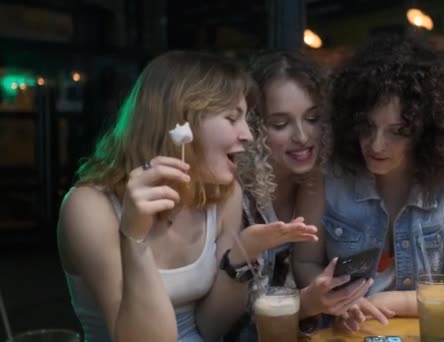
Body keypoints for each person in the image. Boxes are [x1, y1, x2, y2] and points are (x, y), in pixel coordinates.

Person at [56, 51, 318, 342]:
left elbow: (210, 329)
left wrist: (243, 255)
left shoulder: (224, 195)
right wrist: (134, 237)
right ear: (181, 122)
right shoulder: (89, 206)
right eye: (232, 118)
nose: (248, 135)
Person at [323, 33, 444, 330]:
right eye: (367, 126)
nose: (376, 145)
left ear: (426, 130)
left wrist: (385, 303)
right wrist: (337, 298)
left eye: (397, 131)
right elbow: (306, 265)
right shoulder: (331, 173)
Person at [231, 50, 388, 340]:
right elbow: (231, 319)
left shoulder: (322, 179)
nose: (302, 136)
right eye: (280, 124)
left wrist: (340, 297)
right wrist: (309, 303)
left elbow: (312, 268)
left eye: (313, 118)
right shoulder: (235, 195)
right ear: (253, 127)